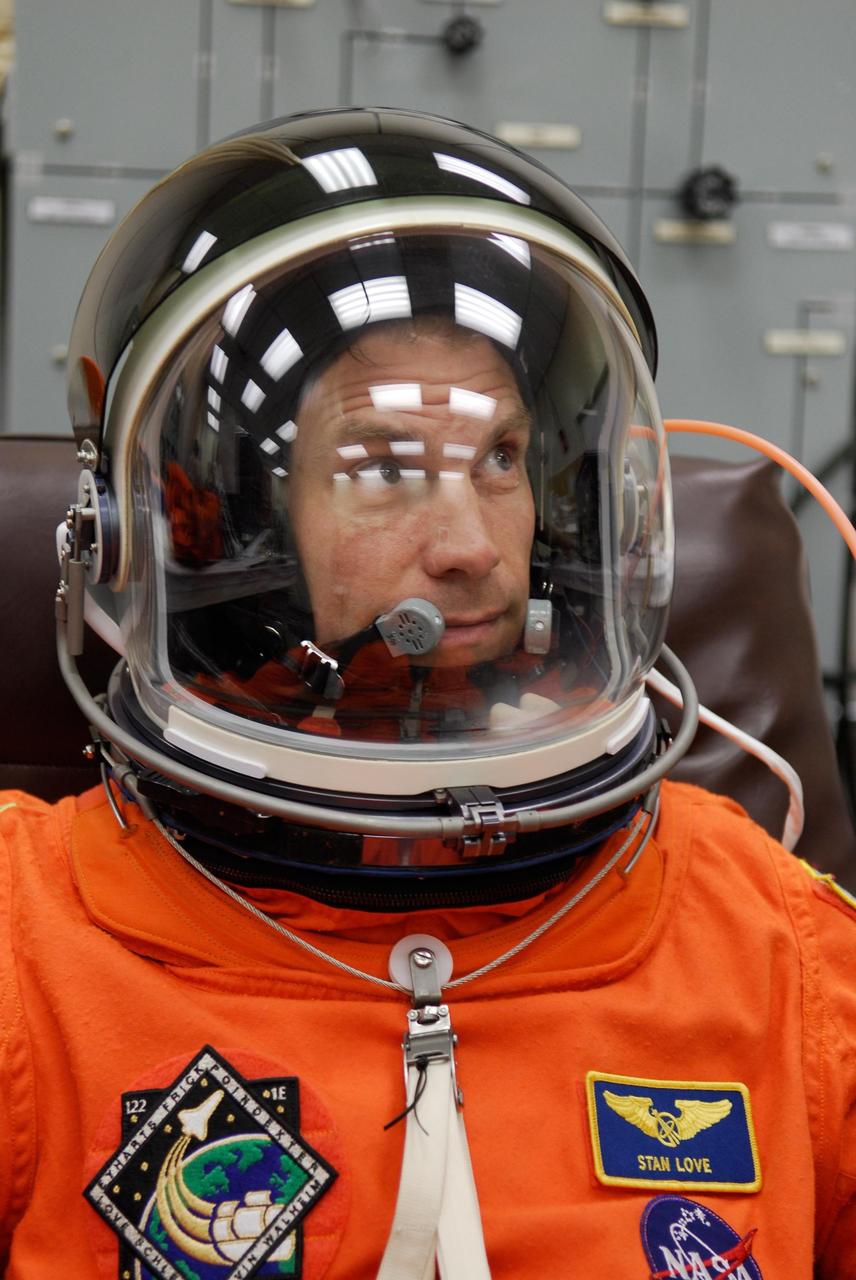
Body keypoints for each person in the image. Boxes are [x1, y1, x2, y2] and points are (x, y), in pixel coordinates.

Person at [1, 107, 854, 1280]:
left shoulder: (769, 941)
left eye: (499, 457)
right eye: (381, 467)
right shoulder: (28, 950)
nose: (469, 545)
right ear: (207, 521)